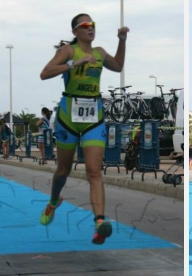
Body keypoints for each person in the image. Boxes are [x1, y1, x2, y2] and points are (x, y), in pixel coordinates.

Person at [38, 13, 128, 245]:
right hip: (69, 116)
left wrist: (122, 41)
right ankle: (54, 201)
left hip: (94, 116)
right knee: (63, 170)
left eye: (93, 25)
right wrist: (71, 64)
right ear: (75, 31)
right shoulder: (69, 51)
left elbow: (117, 67)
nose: (91, 28)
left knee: (94, 171)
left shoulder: (99, 52)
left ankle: (100, 222)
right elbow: (44, 73)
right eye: (85, 25)